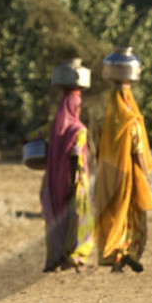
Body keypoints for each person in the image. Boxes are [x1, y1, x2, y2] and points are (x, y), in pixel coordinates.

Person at [96, 76, 152, 273]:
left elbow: (98, 152)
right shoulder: (133, 123)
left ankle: (118, 257)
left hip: (108, 176)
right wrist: (144, 175)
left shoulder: (104, 124)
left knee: (115, 215)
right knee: (133, 216)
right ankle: (128, 253)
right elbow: (138, 152)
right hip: (130, 177)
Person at [42, 61, 95, 272]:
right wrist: (74, 183)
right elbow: (75, 156)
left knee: (56, 218)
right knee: (79, 218)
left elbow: (32, 138)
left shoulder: (55, 127)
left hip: (54, 181)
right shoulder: (78, 130)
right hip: (74, 181)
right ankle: (73, 256)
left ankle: (53, 258)